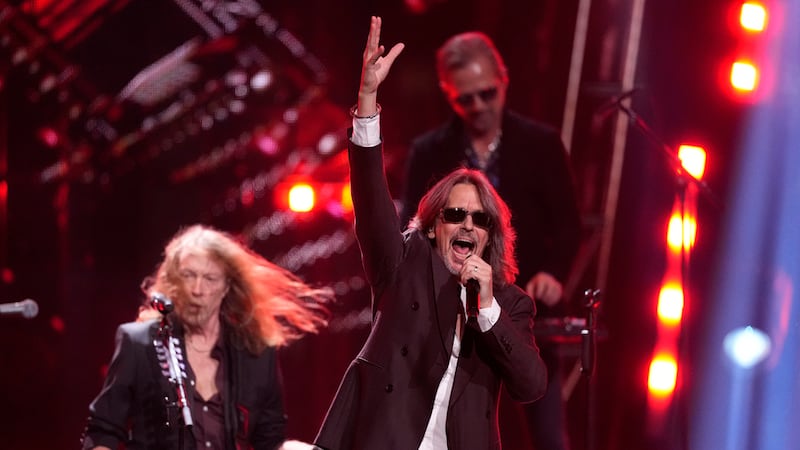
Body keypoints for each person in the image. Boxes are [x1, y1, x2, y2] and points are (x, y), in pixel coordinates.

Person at [314, 17, 547, 450]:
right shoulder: (403, 263)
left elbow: (531, 385)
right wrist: (366, 100)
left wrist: (488, 310)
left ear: (491, 235)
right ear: (432, 225)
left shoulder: (509, 304)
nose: (467, 226)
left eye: (480, 220)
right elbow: (370, 201)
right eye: (456, 214)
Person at [399, 28, 583, 450]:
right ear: (448, 94)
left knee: (547, 434)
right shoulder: (429, 152)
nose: (479, 106)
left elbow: (570, 226)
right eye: (466, 98)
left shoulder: (542, 144)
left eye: (487, 93)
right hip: (449, 320)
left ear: (504, 81)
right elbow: (412, 230)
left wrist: (555, 275)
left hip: (523, 315)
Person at [82, 224, 331, 450]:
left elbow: (269, 439)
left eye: (210, 278)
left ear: (226, 287)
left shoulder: (256, 351)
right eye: (188, 276)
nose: (197, 290)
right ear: (172, 281)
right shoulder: (139, 344)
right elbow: (104, 430)